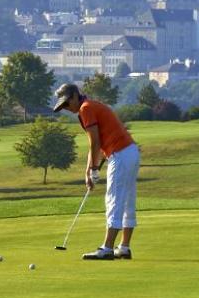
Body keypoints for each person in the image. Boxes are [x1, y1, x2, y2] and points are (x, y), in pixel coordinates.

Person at [53, 83, 140, 261]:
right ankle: (124, 247)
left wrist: (93, 169)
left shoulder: (86, 109)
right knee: (127, 200)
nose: (67, 109)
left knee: (114, 199)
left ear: (75, 96)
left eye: (67, 104)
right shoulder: (90, 106)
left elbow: (95, 143)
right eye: (63, 107)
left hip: (121, 154)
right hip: (130, 152)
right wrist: (88, 171)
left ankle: (107, 248)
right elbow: (96, 144)